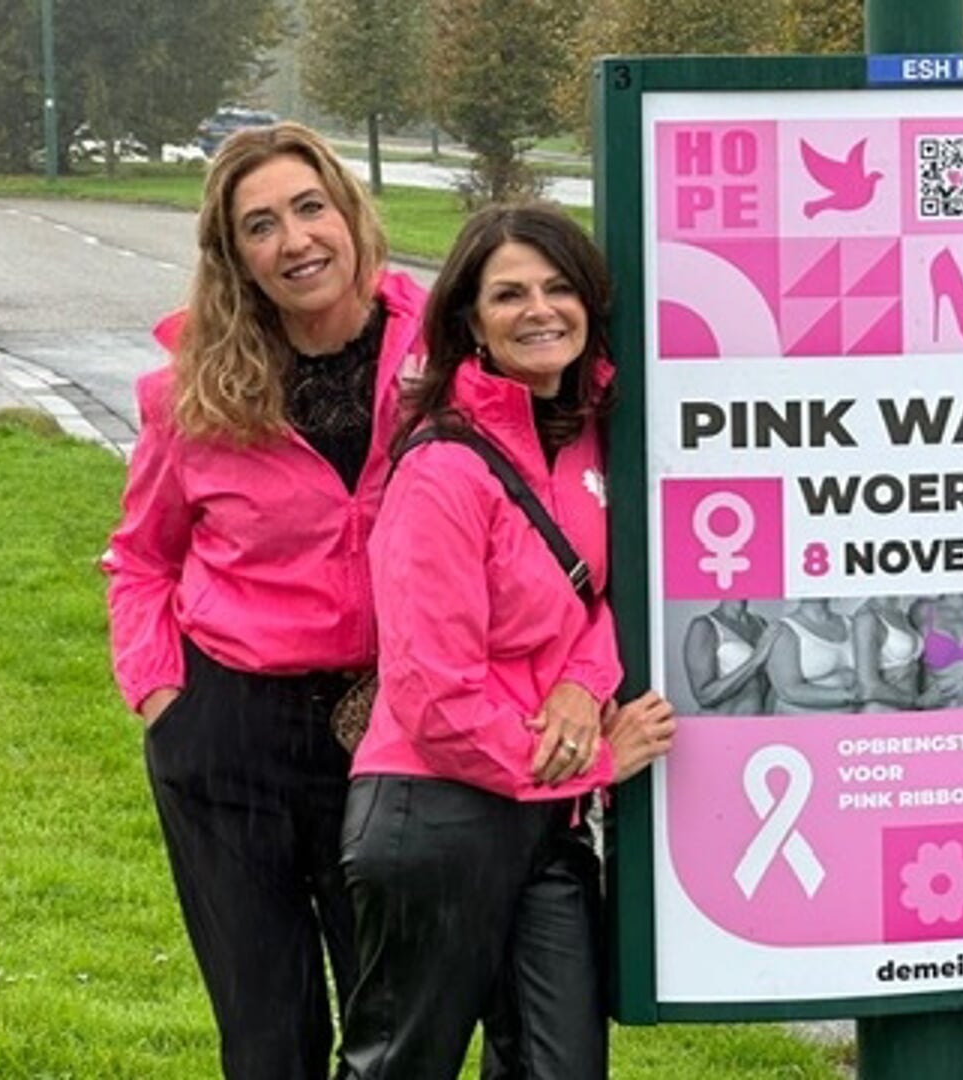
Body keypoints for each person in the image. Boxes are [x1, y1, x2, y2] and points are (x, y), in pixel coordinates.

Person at [101, 122, 423, 1080]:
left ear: (349, 210)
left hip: (397, 731)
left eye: (309, 206)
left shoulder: (445, 356)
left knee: (397, 1029)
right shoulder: (193, 392)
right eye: (260, 226)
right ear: (234, 256)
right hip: (232, 733)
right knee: (269, 1037)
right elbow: (139, 559)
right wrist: (165, 696)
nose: (295, 240)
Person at [339, 202, 666, 1078]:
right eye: (509, 293)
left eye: (560, 287)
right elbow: (433, 698)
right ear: (470, 322)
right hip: (433, 814)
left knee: (560, 1066)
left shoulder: (594, 440)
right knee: (401, 1066)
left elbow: (604, 600)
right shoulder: (441, 469)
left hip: (545, 824)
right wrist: (597, 759)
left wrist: (579, 687)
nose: (540, 310)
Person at [765, 598, 860, 715]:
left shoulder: (852, 622)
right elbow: (788, 691)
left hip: (852, 718)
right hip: (803, 722)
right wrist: (848, 695)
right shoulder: (784, 629)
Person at [681, 599, 774, 715]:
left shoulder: (761, 623)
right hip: (721, 725)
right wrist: (754, 662)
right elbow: (704, 697)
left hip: (756, 724)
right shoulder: (704, 625)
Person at [851, 595, 926, 711]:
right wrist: (916, 700)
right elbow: (867, 688)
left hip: (908, 709)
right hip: (883, 710)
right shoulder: (867, 617)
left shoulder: (899, 610)